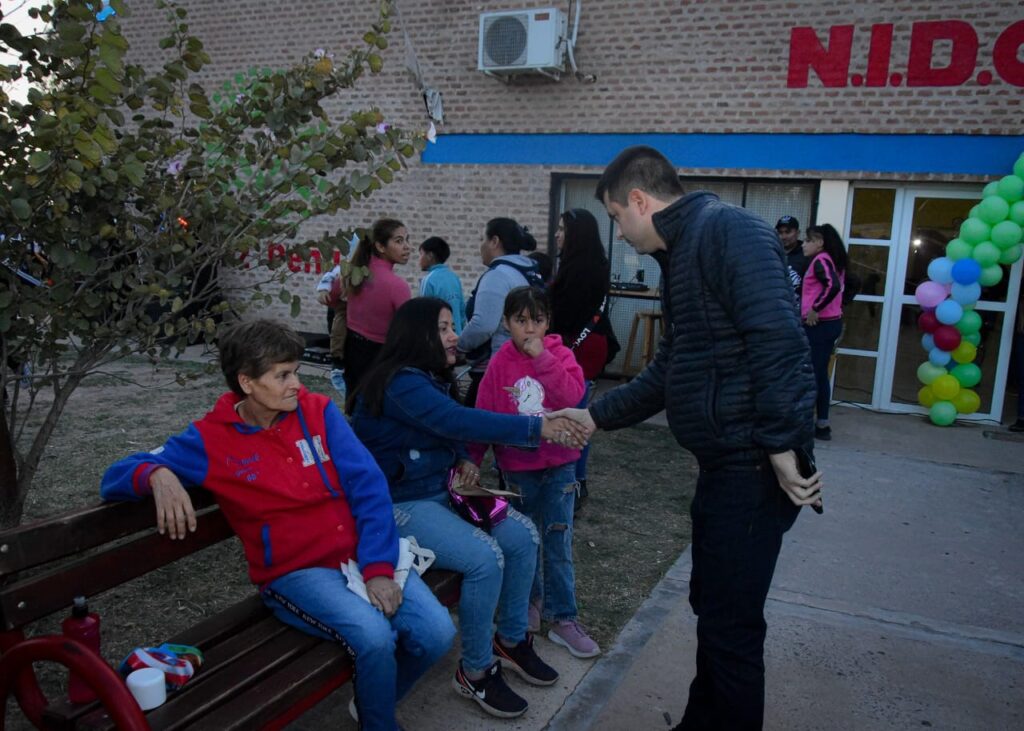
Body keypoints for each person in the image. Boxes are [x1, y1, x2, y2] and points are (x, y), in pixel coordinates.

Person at [552, 146, 821, 731]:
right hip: (725, 465)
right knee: (715, 612)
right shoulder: (684, 251)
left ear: (640, 200)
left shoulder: (728, 231)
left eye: (617, 217)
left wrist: (781, 446)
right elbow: (672, 366)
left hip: (752, 466)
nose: (620, 233)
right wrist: (595, 416)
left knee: (732, 628)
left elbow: (780, 342)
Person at [99, 319, 454, 731]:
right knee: (374, 637)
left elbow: (368, 486)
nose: (296, 384)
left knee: (438, 633)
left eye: (296, 371)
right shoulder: (211, 439)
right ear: (246, 382)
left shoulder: (318, 412)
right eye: (282, 375)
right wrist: (157, 475)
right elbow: (116, 475)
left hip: (362, 554)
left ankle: (374, 700)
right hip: (297, 572)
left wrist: (377, 568)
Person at [349, 297, 588, 720]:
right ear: (418, 335)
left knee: (523, 536)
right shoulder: (400, 383)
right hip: (403, 504)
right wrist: (539, 426)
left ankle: (511, 640)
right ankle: (475, 670)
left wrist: (462, 457)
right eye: (443, 328)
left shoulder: (426, 378)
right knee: (485, 557)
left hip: (444, 492)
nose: (454, 335)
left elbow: (448, 427)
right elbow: (456, 420)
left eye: (452, 326)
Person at [470, 286, 599, 658]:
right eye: (520, 320)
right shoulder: (499, 364)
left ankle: (563, 617)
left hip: (560, 466)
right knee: (524, 540)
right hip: (518, 469)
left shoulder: (561, 355)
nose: (529, 329)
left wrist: (542, 358)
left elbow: (572, 396)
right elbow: (484, 417)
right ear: (506, 323)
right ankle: (530, 601)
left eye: (537, 320)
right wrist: (473, 460)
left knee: (557, 541)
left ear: (548, 323)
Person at [549, 208, 612, 511]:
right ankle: (575, 478)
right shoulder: (592, 263)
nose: (557, 234)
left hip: (578, 348)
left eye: (562, 229)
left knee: (575, 415)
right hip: (588, 345)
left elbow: (562, 315)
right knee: (578, 411)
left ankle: (574, 480)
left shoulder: (579, 270)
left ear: (576, 234)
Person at [458, 218, 542, 406]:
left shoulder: (498, 275)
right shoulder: (526, 272)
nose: (481, 246)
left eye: (483, 239)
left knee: (475, 420)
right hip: (520, 361)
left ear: (494, 241)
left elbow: (483, 325)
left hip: (493, 368)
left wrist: (459, 347)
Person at [343, 219, 412, 394]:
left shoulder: (354, 273)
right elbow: (410, 330)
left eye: (407, 240)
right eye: (399, 241)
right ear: (380, 246)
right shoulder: (397, 286)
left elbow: (330, 297)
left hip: (351, 348)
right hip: (379, 356)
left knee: (354, 403)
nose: (407, 247)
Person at [801, 224, 847, 442]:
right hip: (827, 324)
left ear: (819, 243)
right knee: (818, 374)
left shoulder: (821, 260)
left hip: (820, 326)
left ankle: (816, 424)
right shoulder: (832, 260)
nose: (804, 244)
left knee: (814, 374)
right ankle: (821, 423)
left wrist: (815, 309)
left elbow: (833, 286)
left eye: (808, 240)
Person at [418, 236, 466, 334]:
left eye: (421, 254)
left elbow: (425, 314)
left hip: (439, 337)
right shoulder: (454, 277)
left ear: (430, 255)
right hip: (456, 335)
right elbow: (462, 312)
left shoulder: (428, 280)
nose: (419, 259)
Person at [315, 260, 348, 395]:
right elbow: (329, 276)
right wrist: (323, 289)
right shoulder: (341, 268)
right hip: (342, 306)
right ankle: (337, 359)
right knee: (338, 330)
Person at [776, 215, 808, 295]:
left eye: (787, 232)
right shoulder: (772, 252)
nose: (783, 237)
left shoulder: (806, 254)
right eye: (780, 232)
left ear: (798, 233)